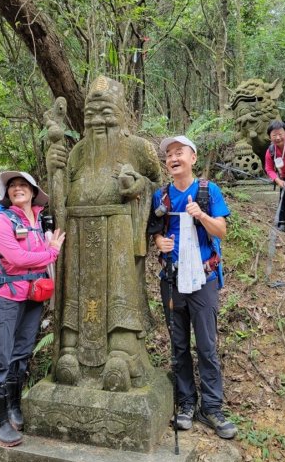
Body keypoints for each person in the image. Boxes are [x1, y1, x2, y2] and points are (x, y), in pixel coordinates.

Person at [46, 75, 162, 390]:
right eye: (91, 114)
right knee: (77, 289)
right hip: (79, 232)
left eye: (106, 112)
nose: (99, 120)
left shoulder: (139, 147)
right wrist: (53, 169)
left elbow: (157, 185)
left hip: (119, 232)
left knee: (119, 288)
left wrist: (137, 184)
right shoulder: (78, 152)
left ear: (122, 113)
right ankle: (71, 350)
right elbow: (59, 198)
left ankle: (122, 352)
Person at [151, 135, 236, 440]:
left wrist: (201, 216)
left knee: (207, 345)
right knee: (178, 345)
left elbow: (222, 231)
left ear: (193, 157)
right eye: (169, 155)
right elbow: (155, 235)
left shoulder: (207, 190)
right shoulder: (160, 196)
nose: (173, 158)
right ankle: (186, 402)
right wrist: (160, 242)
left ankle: (211, 407)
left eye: (179, 153)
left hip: (204, 279)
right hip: (172, 280)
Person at [0, 171, 65, 447]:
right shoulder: (1, 220)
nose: (17, 189)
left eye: (23, 185)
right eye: (12, 186)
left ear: (33, 191)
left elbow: (35, 261)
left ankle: (13, 407)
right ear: (7, 195)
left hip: (32, 296)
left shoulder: (41, 221)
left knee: (20, 353)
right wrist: (51, 252)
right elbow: (16, 258)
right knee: (0, 357)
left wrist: (47, 249)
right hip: (3, 295)